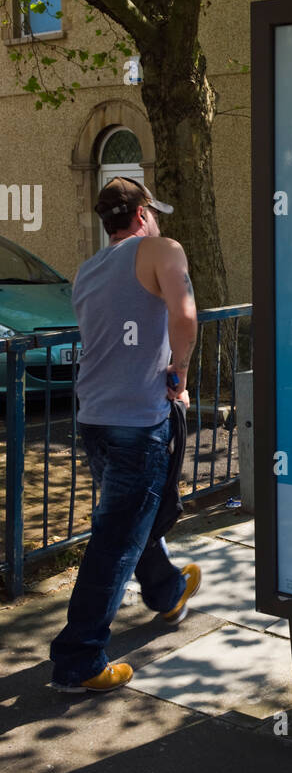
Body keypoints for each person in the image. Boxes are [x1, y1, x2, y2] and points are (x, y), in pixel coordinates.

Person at [50, 177, 201, 693]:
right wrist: (178, 374)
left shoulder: (87, 270)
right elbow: (184, 315)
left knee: (129, 519)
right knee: (115, 538)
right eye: (153, 212)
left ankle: (167, 589)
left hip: (93, 416)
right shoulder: (161, 248)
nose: (156, 220)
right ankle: (78, 659)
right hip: (139, 418)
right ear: (140, 214)